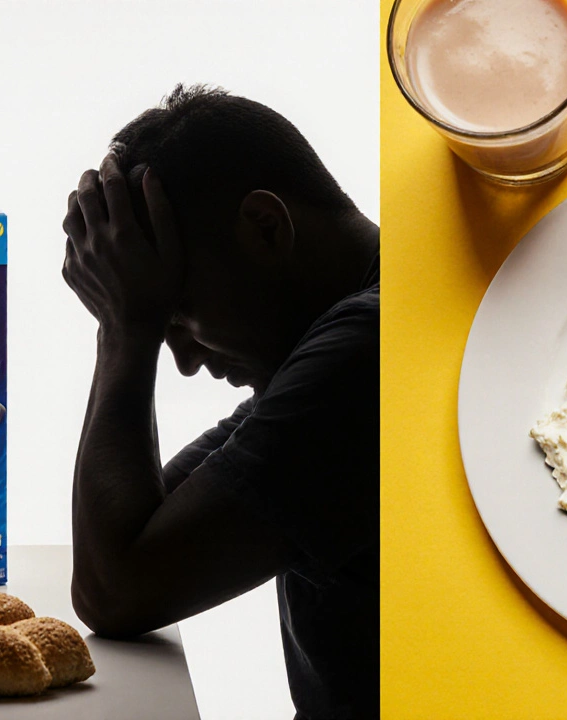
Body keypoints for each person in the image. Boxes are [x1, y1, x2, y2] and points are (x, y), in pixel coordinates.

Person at [60, 85, 378, 718]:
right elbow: (138, 532)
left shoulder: (367, 354)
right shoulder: (321, 354)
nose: (182, 359)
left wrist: (126, 329)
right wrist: (130, 322)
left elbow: (115, 590)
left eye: (177, 316)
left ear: (265, 227)